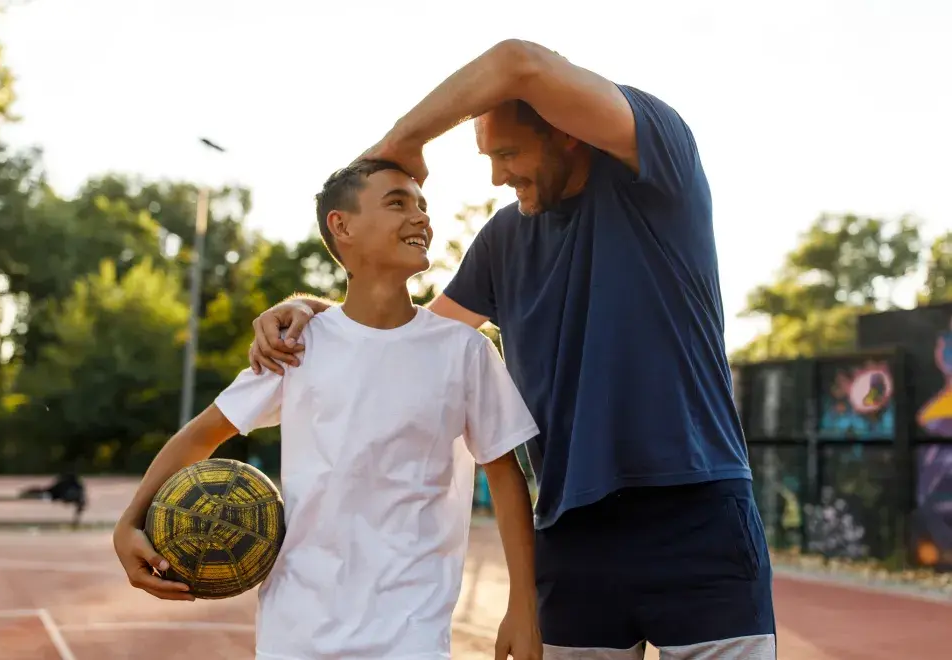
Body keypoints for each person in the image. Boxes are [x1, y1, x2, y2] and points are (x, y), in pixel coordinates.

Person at [248, 39, 775, 659]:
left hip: (696, 512)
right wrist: (316, 313)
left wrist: (400, 142)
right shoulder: (504, 238)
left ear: (568, 134)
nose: (498, 175)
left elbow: (517, 61)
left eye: (508, 153)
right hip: (569, 534)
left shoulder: (659, 175)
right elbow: (407, 342)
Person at [113, 160, 543, 660]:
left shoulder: (463, 351)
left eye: (423, 206)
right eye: (398, 203)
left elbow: (507, 478)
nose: (421, 218)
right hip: (297, 630)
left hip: (412, 630)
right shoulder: (298, 344)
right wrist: (131, 522)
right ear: (343, 226)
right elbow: (200, 436)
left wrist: (523, 606)